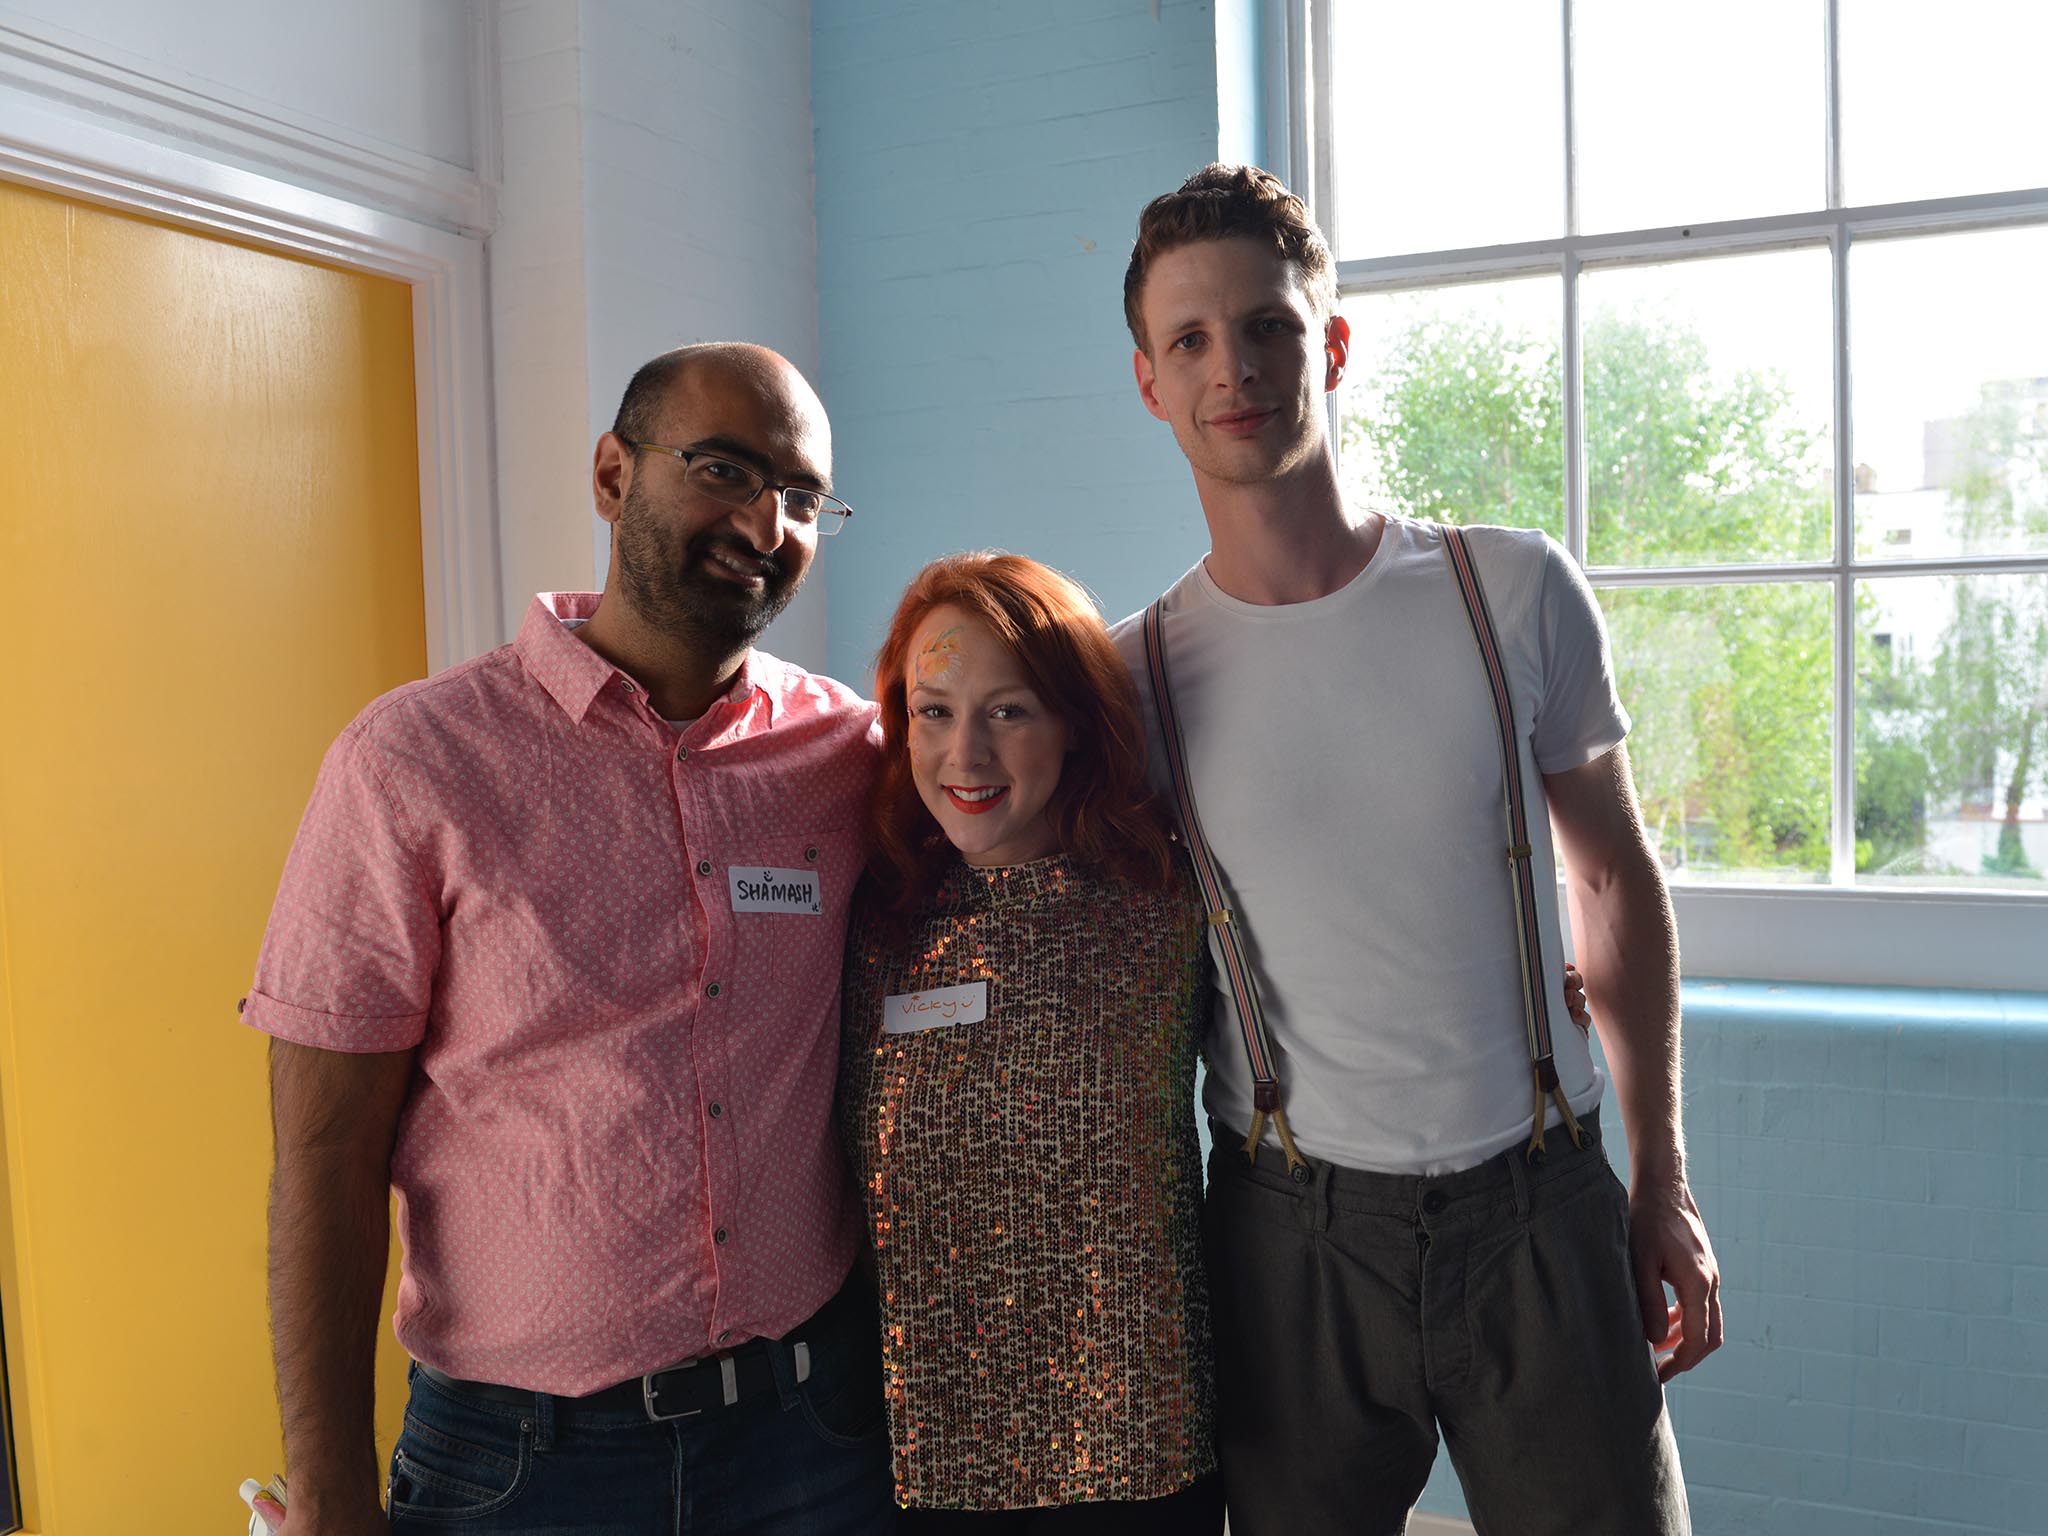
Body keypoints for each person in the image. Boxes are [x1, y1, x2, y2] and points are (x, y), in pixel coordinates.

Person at [1111, 164, 1723, 1536]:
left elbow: (1617, 881)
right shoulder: (1131, 677)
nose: (1236, 369)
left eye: (1268, 326)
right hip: (1290, 1237)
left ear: (1328, 342)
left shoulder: (1506, 588)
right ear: (1149, 381)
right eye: (1192, 341)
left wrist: (1663, 1179)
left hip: (1542, 1201)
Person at [246, 343, 896, 1535]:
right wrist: (331, 1491)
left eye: (804, 497)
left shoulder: (847, 759)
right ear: (612, 474)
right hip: (521, 1467)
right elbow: (326, 1158)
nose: (765, 520)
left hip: (813, 1437)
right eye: (723, 469)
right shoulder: (412, 764)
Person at [837, 553, 1225, 1533]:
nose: (964, 754)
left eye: (1006, 711)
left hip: (1135, 1450)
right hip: (907, 1455)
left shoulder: (1163, 897)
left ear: (1074, 725)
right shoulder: (869, 911)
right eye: (933, 711)